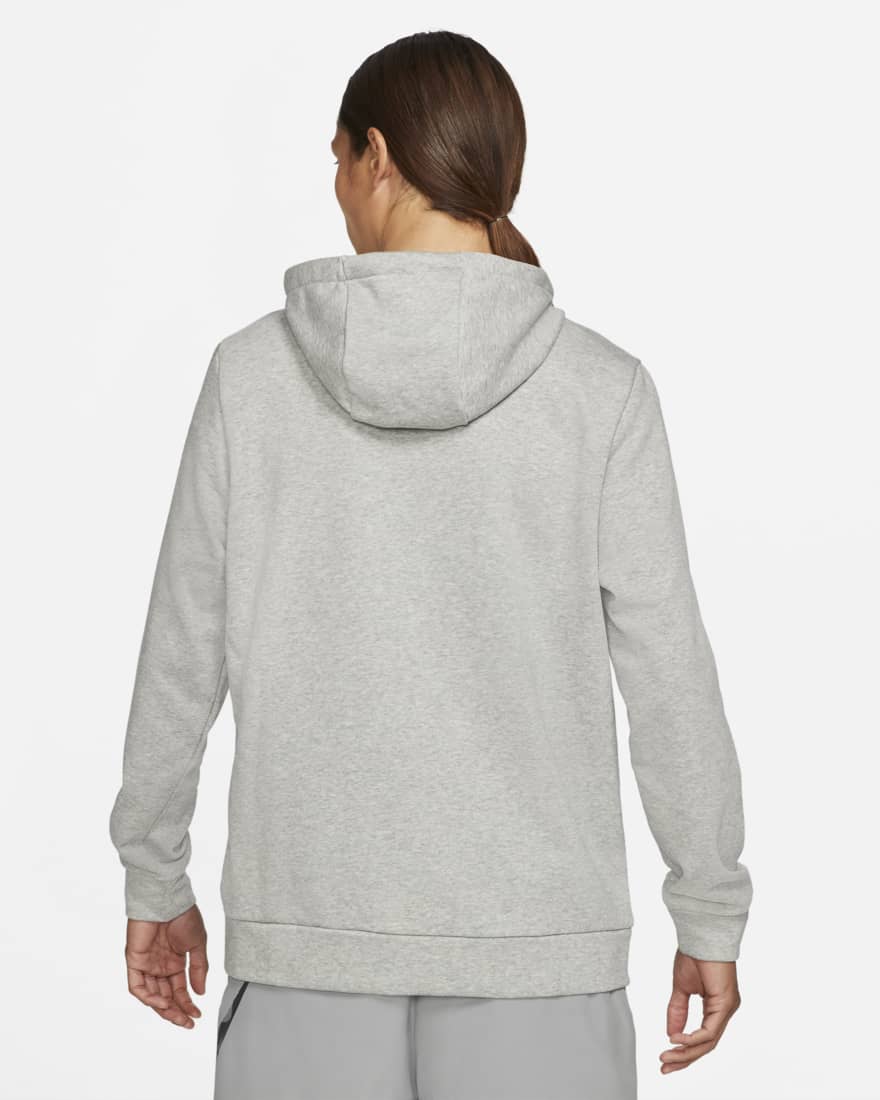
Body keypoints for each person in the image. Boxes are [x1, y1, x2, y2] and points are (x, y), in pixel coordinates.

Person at [109, 29, 753, 1100]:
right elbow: (670, 678)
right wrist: (709, 908)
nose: (337, 191)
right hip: (540, 962)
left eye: (337, 161)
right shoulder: (600, 390)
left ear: (377, 155)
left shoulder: (250, 378)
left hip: (306, 946)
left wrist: (153, 871)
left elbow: (182, 651)